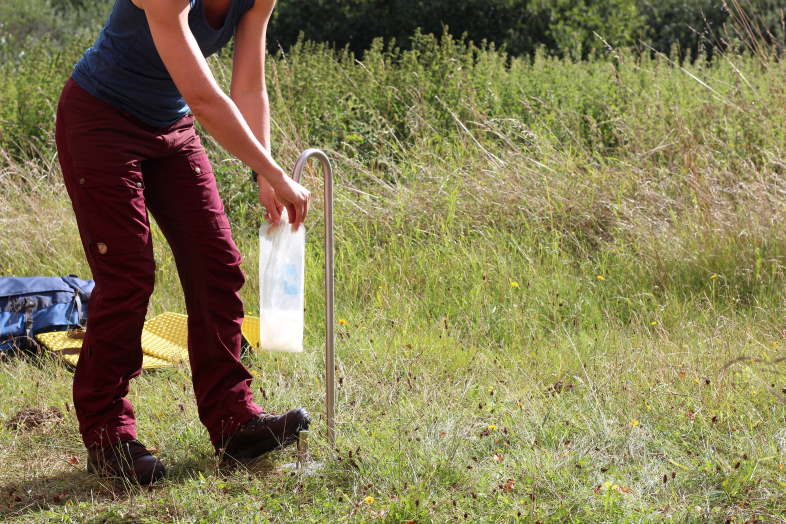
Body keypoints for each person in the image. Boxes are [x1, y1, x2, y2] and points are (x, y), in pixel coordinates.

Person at [55, 0, 311, 485]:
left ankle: (235, 421)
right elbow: (203, 98)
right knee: (129, 276)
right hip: (99, 120)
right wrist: (276, 174)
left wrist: (264, 171)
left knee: (216, 265)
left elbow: (249, 86)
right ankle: (109, 435)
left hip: (170, 130)